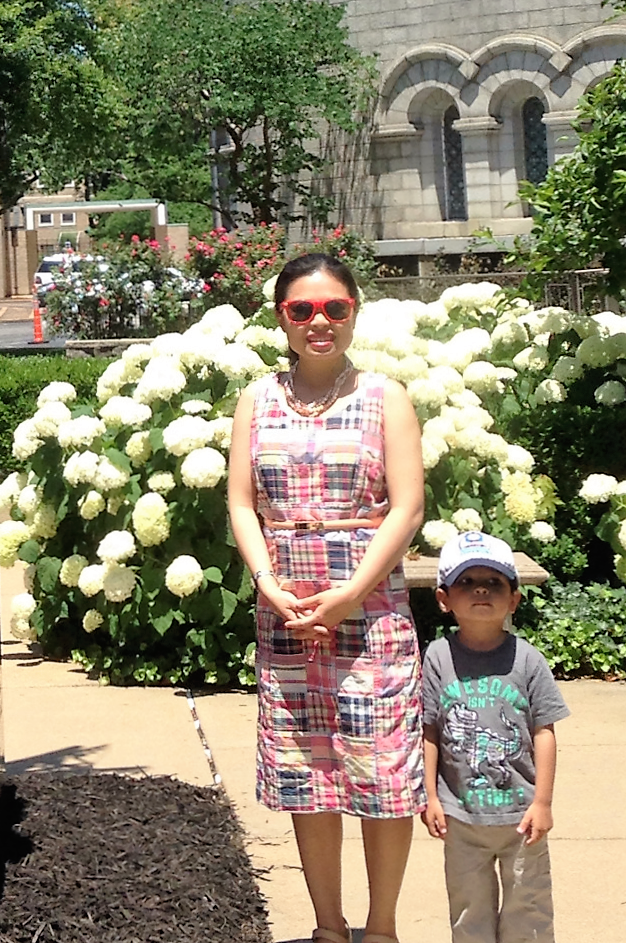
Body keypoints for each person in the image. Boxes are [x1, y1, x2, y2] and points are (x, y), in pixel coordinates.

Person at [227, 251, 425, 943]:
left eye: (334, 308)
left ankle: (382, 928)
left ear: (353, 313)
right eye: (302, 309)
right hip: (286, 612)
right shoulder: (255, 400)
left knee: (382, 768)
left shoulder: (385, 397)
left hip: (370, 614)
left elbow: (406, 508)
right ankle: (327, 928)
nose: (319, 322)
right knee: (305, 770)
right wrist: (267, 584)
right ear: (281, 317)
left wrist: (350, 593)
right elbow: (241, 503)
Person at [421, 531, 567, 943]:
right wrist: (430, 796)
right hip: (461, 817)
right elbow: (429, 729)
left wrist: (543, 802)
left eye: (494, 582)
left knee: (528, 909)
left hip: (522, 817)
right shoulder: (437, 657)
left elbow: (544, 731)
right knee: (469, 910)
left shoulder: (528, 659)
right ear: (444, 598)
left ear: (514, 599)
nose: (481, 589)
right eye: (466, 581)